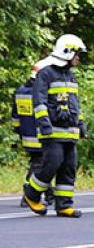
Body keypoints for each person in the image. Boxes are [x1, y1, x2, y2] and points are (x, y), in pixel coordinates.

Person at [20, 34, 88, 218]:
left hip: (70, 131)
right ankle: (31, 194)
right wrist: (44, 124)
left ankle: (64, 205)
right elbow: (39, 102)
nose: (79, 58)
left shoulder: (71, 76)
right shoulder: (46, 73)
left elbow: (75, 104)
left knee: (69, 166)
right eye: (77, 54)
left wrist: (81, 124)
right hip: (52, 131)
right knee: (52, 163)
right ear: (67, 52)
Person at [10, 64, 55, 208]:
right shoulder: (41, 93)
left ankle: (50, 194)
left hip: (26, 136)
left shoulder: (20, 91)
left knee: (40, 164)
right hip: (41, 136)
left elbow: (15, 117)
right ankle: (27, 195)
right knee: (40, 166)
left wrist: (18, 130)